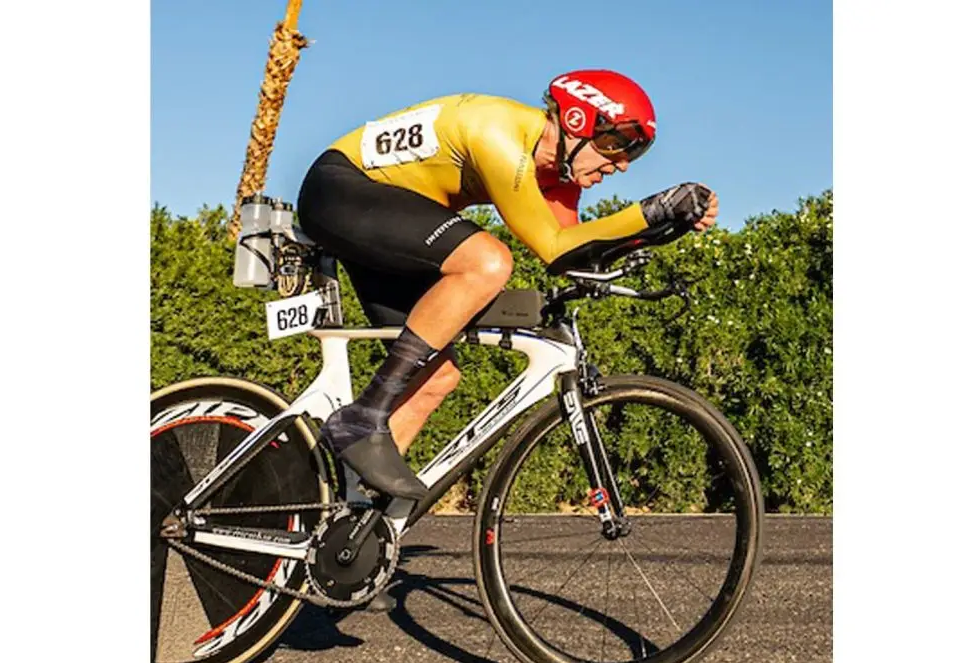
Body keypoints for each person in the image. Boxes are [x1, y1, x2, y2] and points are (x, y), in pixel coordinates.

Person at [297, 69, 719, 502]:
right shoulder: (498, 133)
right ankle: (363, 417)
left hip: (387, 215)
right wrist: (651, 210)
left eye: (634, 153)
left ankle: (351, 522)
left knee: (436, 377)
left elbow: (576, 255)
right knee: (487, 261)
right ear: (575, 122)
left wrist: (668, 224)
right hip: (339, 190)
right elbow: (554, 247)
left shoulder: (557, 176)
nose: (622, 163)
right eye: (615, 144)